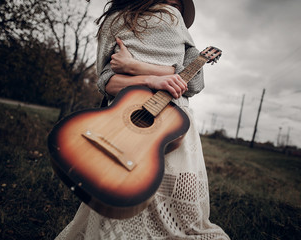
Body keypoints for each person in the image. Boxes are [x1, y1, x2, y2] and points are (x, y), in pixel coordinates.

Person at [55, 0, 230, 239]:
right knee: (162, 208)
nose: (172, 9)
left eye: (177, 5)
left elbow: (192, 81)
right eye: (171, 3)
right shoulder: (132, 22)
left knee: (117, 191)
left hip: (149, 119)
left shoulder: (120, 22)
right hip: (150, 118)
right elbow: (106, 82)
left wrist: (134, 66)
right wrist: (157, 77)